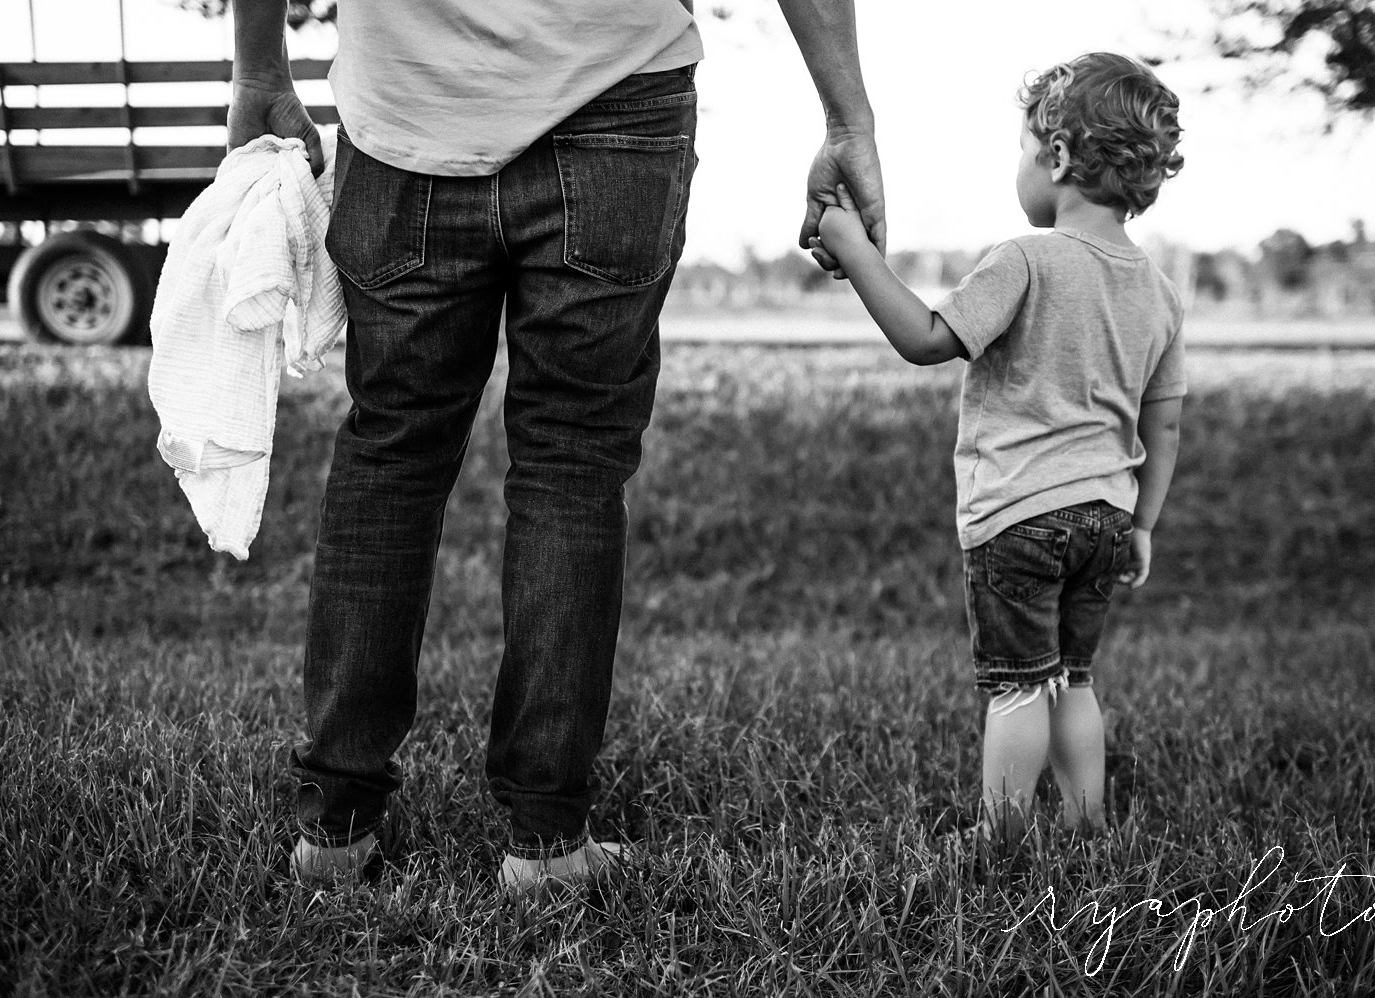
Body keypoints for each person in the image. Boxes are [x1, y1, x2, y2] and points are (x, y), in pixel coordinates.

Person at [226, 0, 886, 889]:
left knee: (390, 457)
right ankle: (544, 841)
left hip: (410, 107)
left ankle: (334, 830)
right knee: (572, 466)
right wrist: (847, 116)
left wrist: (261, 70)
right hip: (614, 101)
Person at [810, 52, 1185, 840]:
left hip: (1019, 516)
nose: (1022, 165)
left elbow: (927, 339)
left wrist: (855, 250)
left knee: (1018, 687)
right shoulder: (1158, 290)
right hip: (1106, 520)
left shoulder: (1025, 258)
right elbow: (1164, 423)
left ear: (1055, 157)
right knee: (1074, 678)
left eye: (1024, 148)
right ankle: (1088, 823)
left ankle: (1001, 834)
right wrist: (1143, 523)